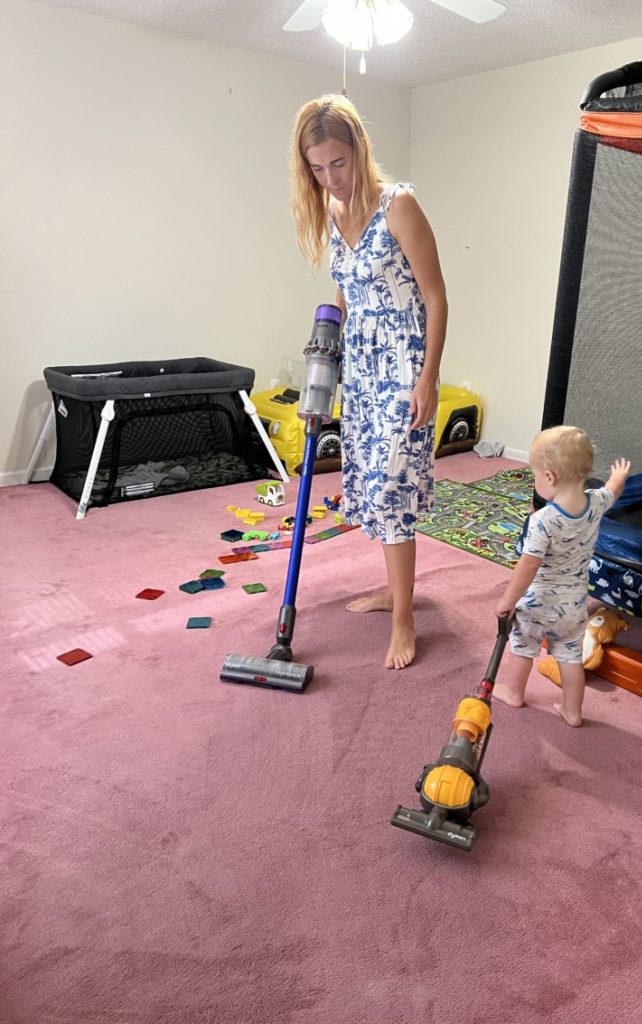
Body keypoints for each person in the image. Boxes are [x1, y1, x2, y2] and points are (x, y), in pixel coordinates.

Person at [290, 94, 448, 671]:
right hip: (359, 366)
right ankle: (394, 589)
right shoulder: (332, 216)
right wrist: (324, 370)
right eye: (317, 167)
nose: (330, 178)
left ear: (359, 150)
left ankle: (404, 617)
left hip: (404, 363)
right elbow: (345, 294)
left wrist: (428, 378)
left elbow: (435, 295)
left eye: (338, 162)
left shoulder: (398, 205)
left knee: (393, 487)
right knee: (370, 482)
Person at [494, 426, 631, 726]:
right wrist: (618, 476)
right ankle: (572, 710)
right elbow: (613, 491)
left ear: (550, 477)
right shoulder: (595, 503)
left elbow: (527, 566)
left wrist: (508, 599)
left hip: (538, 604)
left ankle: (514, 691)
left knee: (522, 646)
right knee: (569, 658)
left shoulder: (542, 520)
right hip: (575, 606)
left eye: (535, 475)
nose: (535, 481)